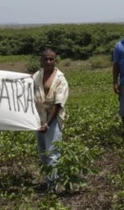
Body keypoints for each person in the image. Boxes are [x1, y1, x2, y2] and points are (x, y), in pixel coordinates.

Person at [32, 49, 69, 191]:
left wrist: (47, 123)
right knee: (43, 154)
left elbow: (58, 104)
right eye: (46, 59)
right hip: (38, 119)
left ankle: (53, 187)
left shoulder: (61, 79)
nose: (48, 62)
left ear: (55, 61)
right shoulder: (36, 76)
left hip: (52, 121)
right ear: (41, 60)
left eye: (51, 59)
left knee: (52, 154)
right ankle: (48, 182)